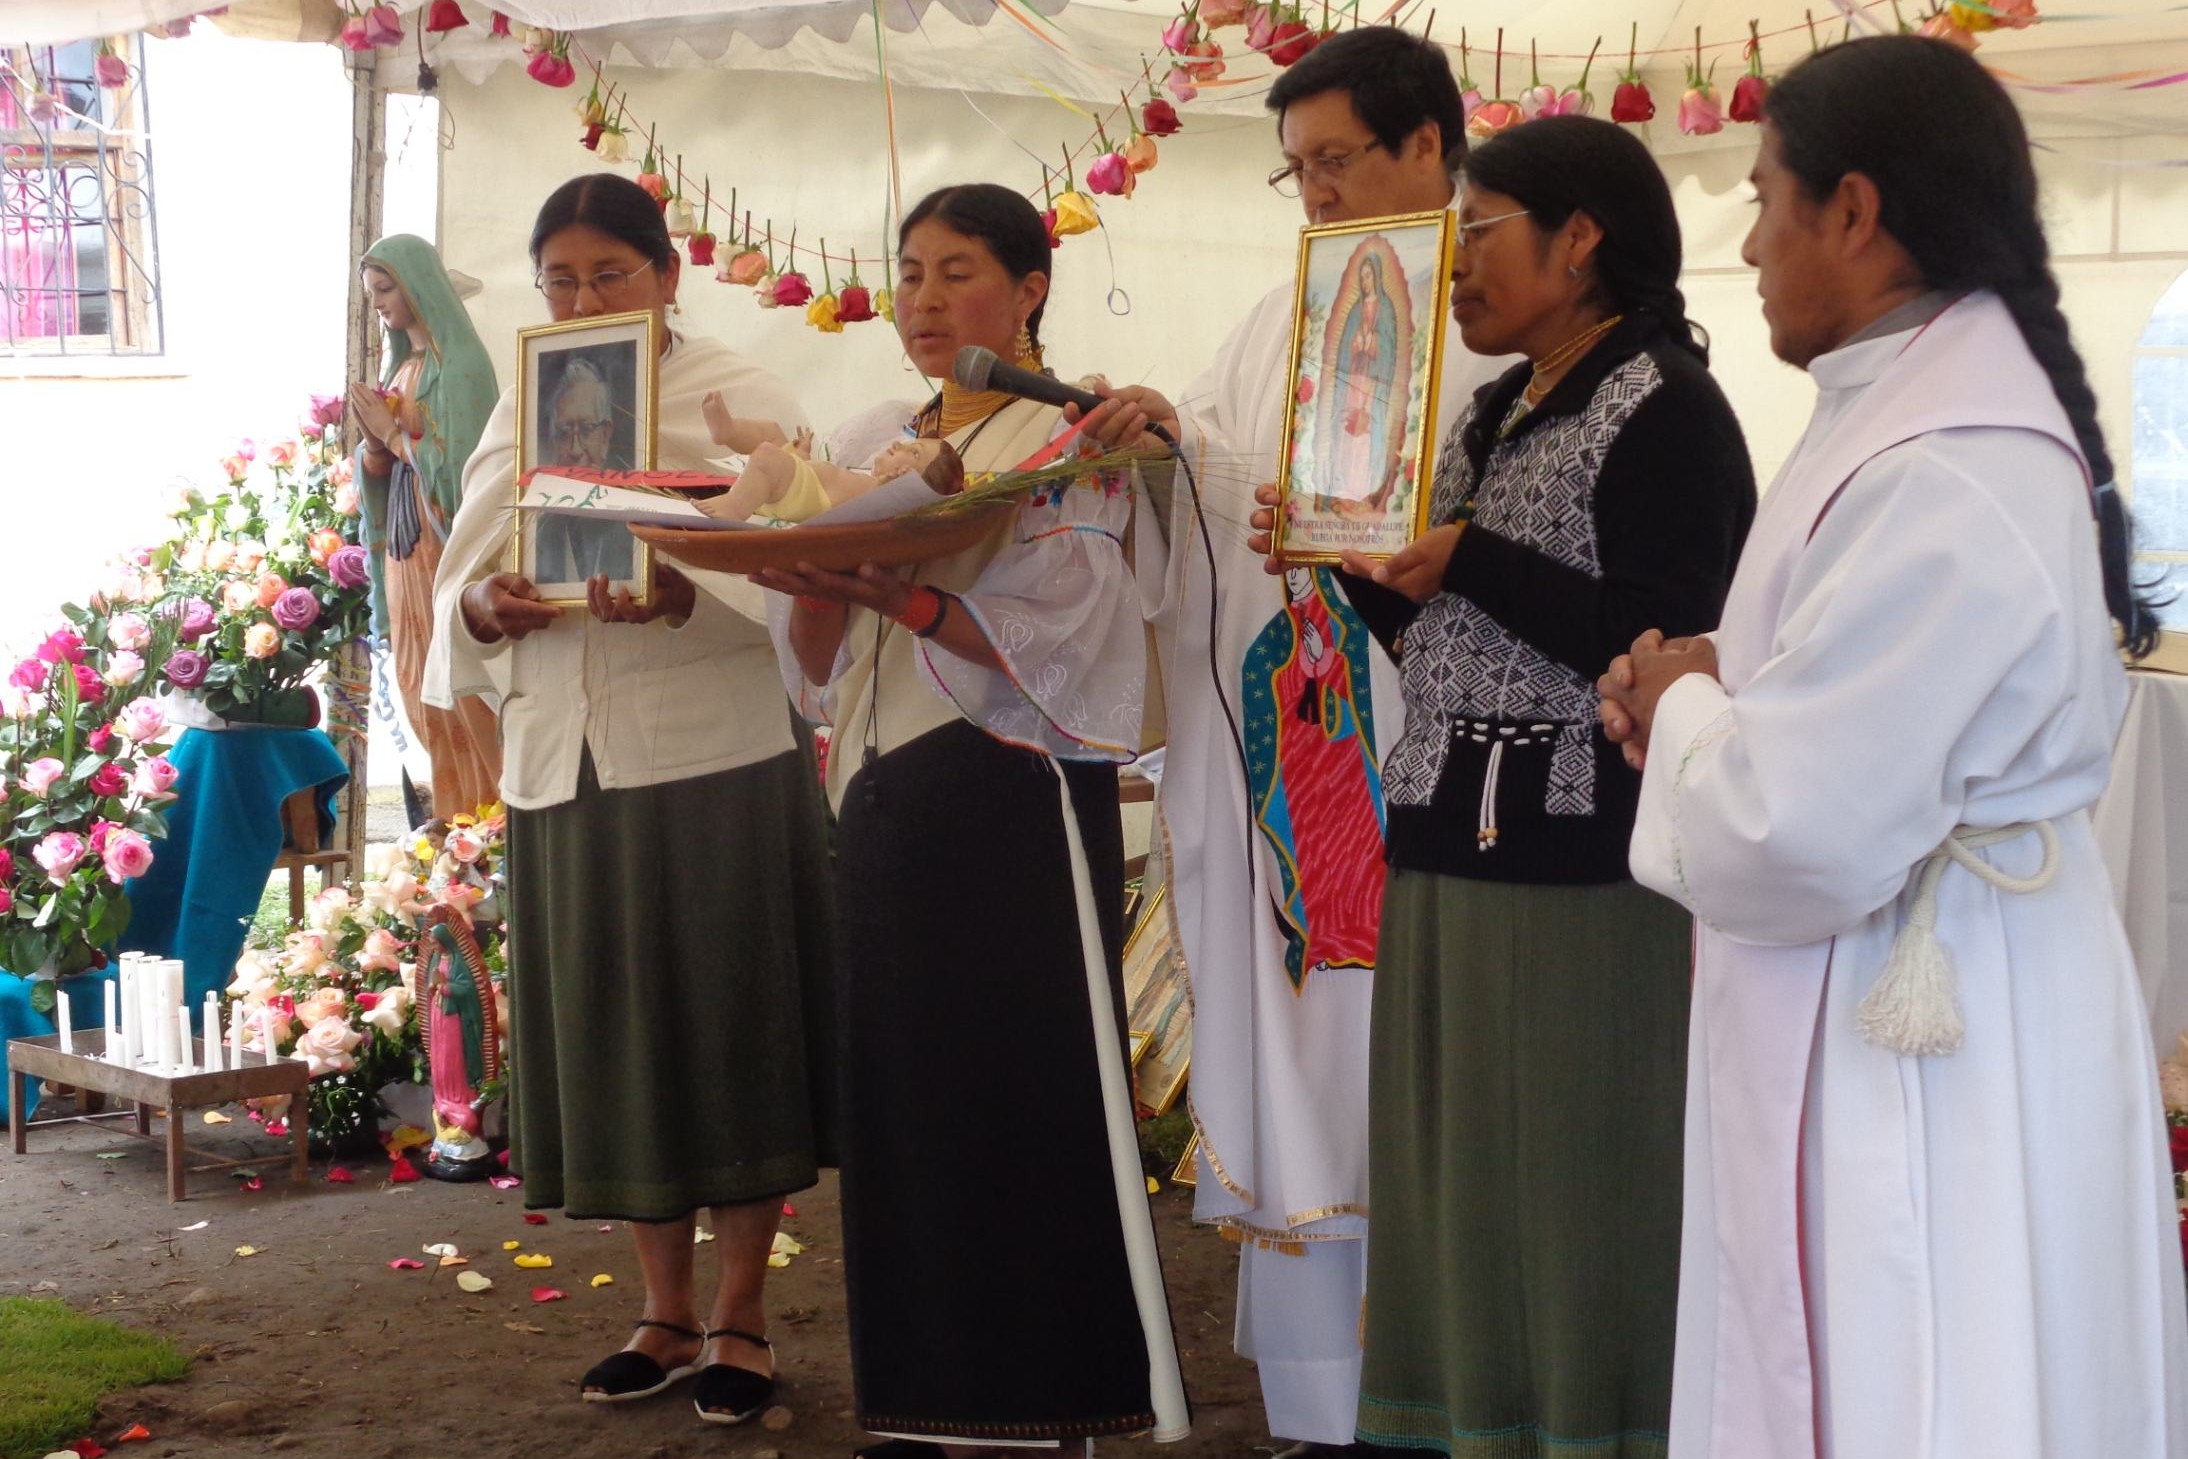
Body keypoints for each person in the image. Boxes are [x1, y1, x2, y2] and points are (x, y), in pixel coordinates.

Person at [1595, 37, 2188, 1458]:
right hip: (1938, 966)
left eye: (1762, 198)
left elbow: (1791, 824)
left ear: (1852, 211)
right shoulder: (1901, 406)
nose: (1744, 245)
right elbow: (1839, 690)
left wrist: (1683, 699)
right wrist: (1716, 687)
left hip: (1930, 1014)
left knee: (1924, 1366)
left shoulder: (1947, 461)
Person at [1250, 115, 1755, 1456]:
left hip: (1583, 866)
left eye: (1481, 232)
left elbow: (1668, 645)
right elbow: (1449, 649)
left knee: (1577, 1182)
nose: (1458, 265)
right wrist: (1357, 563)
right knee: (1459, 1181)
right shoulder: (1497, 405)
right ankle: (1469, 1422)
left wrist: (1466, 551)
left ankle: (1594, 1425)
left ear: (1581, 239)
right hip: (1450, 845)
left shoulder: (1667, 410)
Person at [1072, 27, 1510, 1448]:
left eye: (1336, 160)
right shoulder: (1279, 314)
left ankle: (1454, 1376)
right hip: (1291, 734)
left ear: (1428, 148)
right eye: (1298, 170)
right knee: (1306, 1023)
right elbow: (1209, 463)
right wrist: (1154, 443)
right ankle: (1329, 1397)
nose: (1314, 192)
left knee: (1415, 1054)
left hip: (1420, 749)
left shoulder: (1496, 309)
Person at [750, 182, 1189, 1453]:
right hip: (887, 791)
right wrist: (816, 583)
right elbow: (815, 665)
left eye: (959, 273)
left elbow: (1083, 637)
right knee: (906, 1106)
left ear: (1031, 287)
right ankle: (928, 1402)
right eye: (911, 274)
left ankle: (1051, 1401)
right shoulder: (872, 433)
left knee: (1020, 1098)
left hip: (1013, 797)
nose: (928, 301)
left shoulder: (1071, 434)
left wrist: (911, 600)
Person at [423, 173, 835, 1429]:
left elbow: (804, 570)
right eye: (562, 278)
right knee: (625, 1044)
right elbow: (465, 583)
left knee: (726, 1032)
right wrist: (485, 609)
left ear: (666, 274)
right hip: (570, 770)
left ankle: (742, 1314)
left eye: (609, 273)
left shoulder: (737, 390)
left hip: (708, 759)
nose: (584, 296)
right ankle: (658, 1312)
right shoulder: (527, 400)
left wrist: (688, 587)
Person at [348, 235, 502, 821]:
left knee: (457, 679)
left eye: (386, 289)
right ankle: (452, 816)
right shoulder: (403, 366)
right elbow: (384, 468)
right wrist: (374, 450)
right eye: (372, 294)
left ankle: (486, 820)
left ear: (418, 285)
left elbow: (464, 470)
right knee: (418, 679)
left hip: (447, 544)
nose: (380, 304)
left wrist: (391, 436)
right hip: (406, 549)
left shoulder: (460, 365)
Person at [695, 436, 962, 525]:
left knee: (766, 454)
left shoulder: (880, 499)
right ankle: (726, 430)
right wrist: (802, 454)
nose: (898, 444)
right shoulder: (866, 478)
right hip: (799, 484)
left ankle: (734, 506)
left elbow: (870, 510)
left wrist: (890, 488)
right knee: (772, 433)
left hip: (803, 495)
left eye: (914, 453)